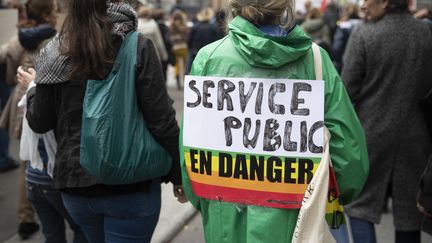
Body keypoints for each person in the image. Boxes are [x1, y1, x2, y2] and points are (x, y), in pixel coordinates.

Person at [180, 0, 369, 242]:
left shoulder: (208, 58)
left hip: (225, 221)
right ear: (284, 7)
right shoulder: (315, 60)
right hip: (296, 222)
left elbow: (192, 153)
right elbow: (350, 161)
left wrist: (210, 201)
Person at [24, 0, 186, 242]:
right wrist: (178, 173)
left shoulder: (53, 51)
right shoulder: (136, 46)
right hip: (131, 185)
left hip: (75, 187)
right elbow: (161, 121)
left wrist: (33, 88)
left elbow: (39, 122)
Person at [341, 0, 432, 241]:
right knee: (409, 210)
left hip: (370, 132)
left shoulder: (364, 34)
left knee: (359, 205)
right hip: (416, 135)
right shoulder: (427, 33)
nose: (363, 5)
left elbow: (346, 91)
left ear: (385, 2)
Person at [0, 0, 59, 239]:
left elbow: (4, 56)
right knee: (49, 157)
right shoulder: (55, 39)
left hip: (20, 102)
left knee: (28, 159)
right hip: (45, 102)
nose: (57, 13)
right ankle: (56, 212)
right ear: (47, 13)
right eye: (54, 10)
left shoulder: (22, 37)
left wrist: (15, 75)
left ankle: (26, 217)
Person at [17, 66, 87, 243]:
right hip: (54, 180)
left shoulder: (28, 99)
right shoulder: (52, 101)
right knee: (82, 228)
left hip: (32, 179)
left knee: (51, 235)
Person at [186, 7, 223, 73]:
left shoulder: (195, 27)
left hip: (196, 54)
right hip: (211, 55)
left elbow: (189, 41)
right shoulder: (214, 27)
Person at [331, 3, 362, 73]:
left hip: (344, 62)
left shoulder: (343, 26)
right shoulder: (364, 25)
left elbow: (336, 48)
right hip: (360, 62)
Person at [169, 10, 189, 89]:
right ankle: (185, 82)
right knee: (185, 65)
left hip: (175, 48)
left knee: (177, 65)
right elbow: (187, 35)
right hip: (183, 46)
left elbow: (170, 37)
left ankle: (177, 81)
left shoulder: (172, 26)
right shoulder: (184, 26)